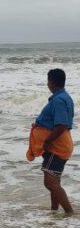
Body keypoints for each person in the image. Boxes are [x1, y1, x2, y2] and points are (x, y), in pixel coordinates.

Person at [29, 69, 74, 214]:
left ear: (52, 82)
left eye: (48, 80)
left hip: (56, 146)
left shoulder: (59, 100)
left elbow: (62, 124)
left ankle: (69, 212)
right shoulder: (63, 97)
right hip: (61, 144)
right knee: (55, 180)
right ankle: (54, 210)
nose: (47, 83)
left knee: (50, 181)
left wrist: (47, 141)